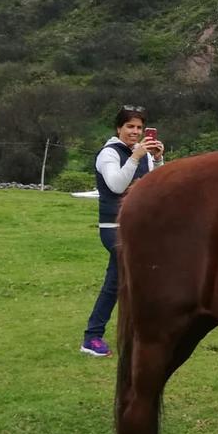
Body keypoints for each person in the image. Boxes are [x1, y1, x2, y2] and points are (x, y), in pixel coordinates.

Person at [81, 106, 164, 357]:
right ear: (119, 128)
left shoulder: (142, 153)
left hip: (139, 226)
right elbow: (116, 185)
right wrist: (136, 157)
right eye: (130, 127)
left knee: (128, 279)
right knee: (118, 280)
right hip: (114, 226)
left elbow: (156, 186)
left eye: (139, 127)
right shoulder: (109, 153)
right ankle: (92, 336)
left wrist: (158, 159)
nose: (135, 132)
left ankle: (124, 331)